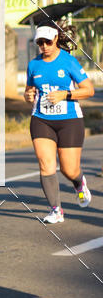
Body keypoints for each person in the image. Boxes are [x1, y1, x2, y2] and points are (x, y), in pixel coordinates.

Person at [24, 21, 94, 224]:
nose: (44, 46)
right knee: (46, 165)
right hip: (41, 119)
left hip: (69, 120)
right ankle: (56, 210)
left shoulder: (68, 61)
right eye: (40, 43)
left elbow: (88, 90)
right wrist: (28, 95)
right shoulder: (33, 64)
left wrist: (66, 94)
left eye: (47, 41)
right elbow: (29, 90)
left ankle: (79, 183)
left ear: (56, 39)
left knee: (68, 169)